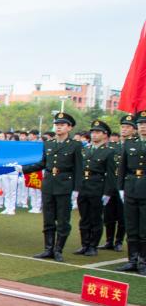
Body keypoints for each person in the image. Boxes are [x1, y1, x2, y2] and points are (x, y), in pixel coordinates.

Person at [21, 112, 82, 262]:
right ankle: (48, 249)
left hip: (64, 184)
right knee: (48, 219)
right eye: (57, 125)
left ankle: (58, 250)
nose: (59, 127)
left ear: (69, 127)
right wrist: (23, 169)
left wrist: (76, 189)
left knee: (63, 220)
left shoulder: (75, 145)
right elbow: (43, 163)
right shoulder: (49, 143)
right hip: (49, 184)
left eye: (62, 125)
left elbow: (78, 169)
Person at [73, 120, 117, 257]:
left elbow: (111, 175)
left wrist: (107, 193)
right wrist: (76, 188)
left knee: (96, 218)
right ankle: (84, 244)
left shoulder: (109, 152)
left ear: (105, 135)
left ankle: (93, 246)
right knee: (84, 218)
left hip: (97, 187)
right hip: (83, 186)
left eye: (98, 132)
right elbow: (78, 170)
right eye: (92, 132)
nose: (94, 135)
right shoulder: (85, 149)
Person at [116, 110, 146, 274]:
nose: (143, 126)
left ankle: (143, 262)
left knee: (144, 228)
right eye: (140, 124)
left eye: (145, 124)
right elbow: (122, 167)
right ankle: (132, 260)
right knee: (131, 226)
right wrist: (121, 188)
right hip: (131, 187)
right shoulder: (129, 143)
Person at [103, 113, 135, 251]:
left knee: (122, 216)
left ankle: (119, 241)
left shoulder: (135, 146)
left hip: (126, 185)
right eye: (123, 127)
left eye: (128, 127)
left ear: (134, 130)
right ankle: (109, 240)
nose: (124, 129)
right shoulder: (112, 147)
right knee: (109, 215)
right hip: (111, 185)